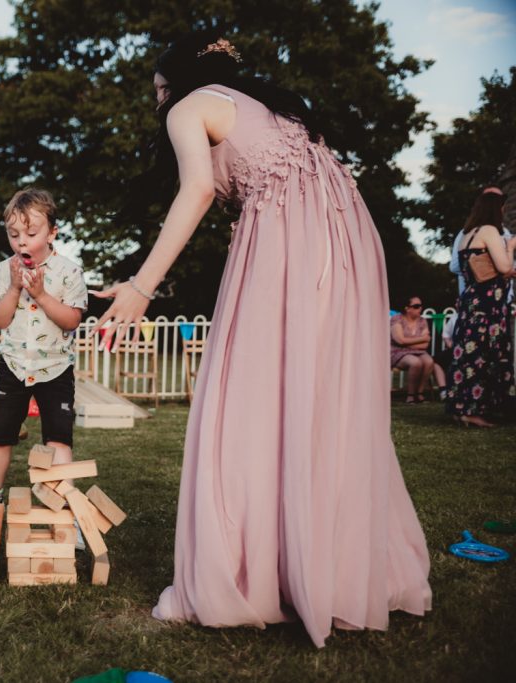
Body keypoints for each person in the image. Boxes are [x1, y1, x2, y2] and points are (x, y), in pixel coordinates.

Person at [92, 33, 431, 647]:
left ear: (178, 83)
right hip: (346, 247)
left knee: (242, 397)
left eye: (159, 90)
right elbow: (324, 182)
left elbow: (195, 190)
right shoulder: (275, 109)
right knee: (321, 405)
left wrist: (142, 286)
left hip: (289, 247)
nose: (159, 103)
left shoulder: (189, 108)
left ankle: (250, 575)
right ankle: (333, 567)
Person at [0, 188, 88, 507]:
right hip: (13, 366)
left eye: (30, 232)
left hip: (56, 369)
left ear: (53, 232)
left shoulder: (69, 271)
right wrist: (15, 288)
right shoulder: (4, 271)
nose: (21, 242)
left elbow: (71, 320)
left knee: (58, 437)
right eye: (13, 234)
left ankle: (63, 505)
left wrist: (41, 295)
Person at [443, 187, 516, 428]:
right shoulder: (489, 231)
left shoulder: (466, 234)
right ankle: (475, 411)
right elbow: (505, 267)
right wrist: (511, 246)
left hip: (471, 300)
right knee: (487, 354)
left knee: (467, 353)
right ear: (496, 209)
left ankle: (462, 408)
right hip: (488, 305)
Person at [390, 297, 434, 403]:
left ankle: (419, 393)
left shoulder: (422, 321)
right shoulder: (397, 319)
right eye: (416, 306)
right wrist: (421, 339)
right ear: (407, 308)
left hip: (418, 351)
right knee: (415, 362)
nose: (420, 308)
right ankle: (410, 395)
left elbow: (425, 345)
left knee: (429, 361)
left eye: (420, 305)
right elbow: (399, 340)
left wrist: (406, 342)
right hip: (397, 351)